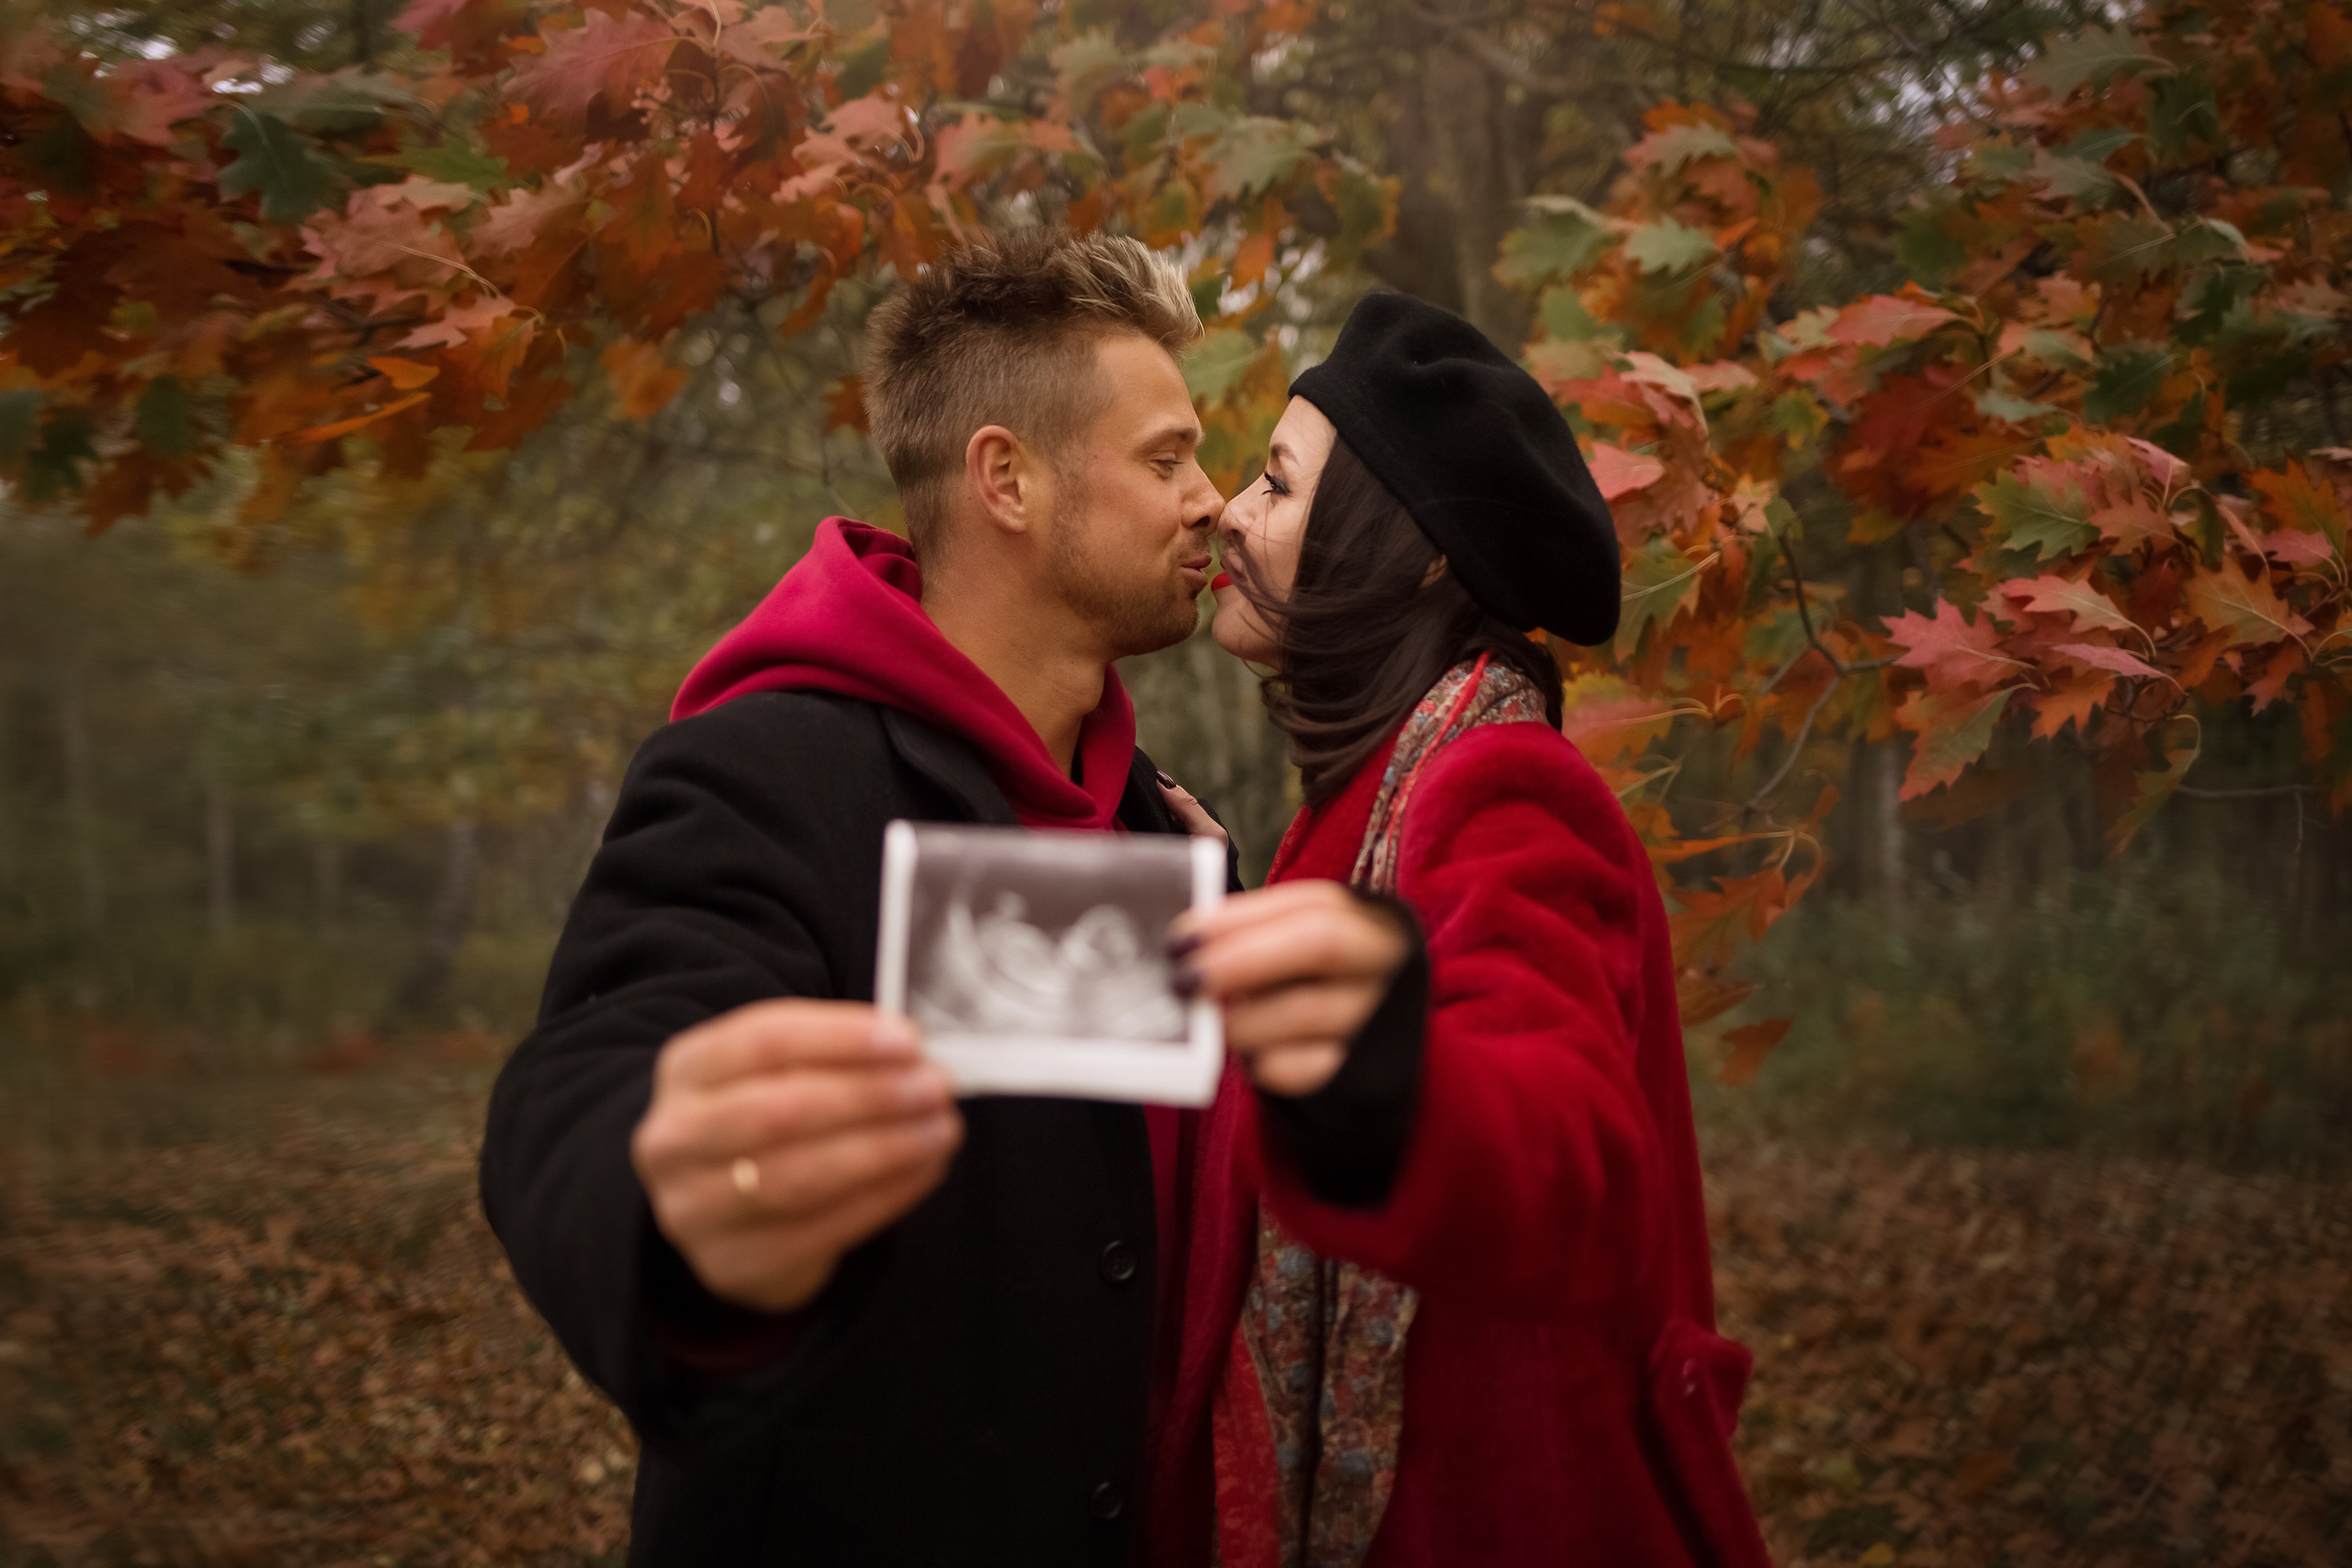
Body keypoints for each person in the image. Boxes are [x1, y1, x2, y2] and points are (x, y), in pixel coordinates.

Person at [477, 231, 1416, 1566]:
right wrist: (671, 1200)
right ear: (1007, 480)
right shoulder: (765, 773)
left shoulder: (1156, 828)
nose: (1210, 502)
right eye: (1165, 460)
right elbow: (593, 1076)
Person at [1150, 291, 1770, 1567]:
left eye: (1277, 482)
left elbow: (1567, 1131)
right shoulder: (1373, 791)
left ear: (1417, 553)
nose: (1231, 514)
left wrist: (1393, 1079)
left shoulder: (1502, 783)